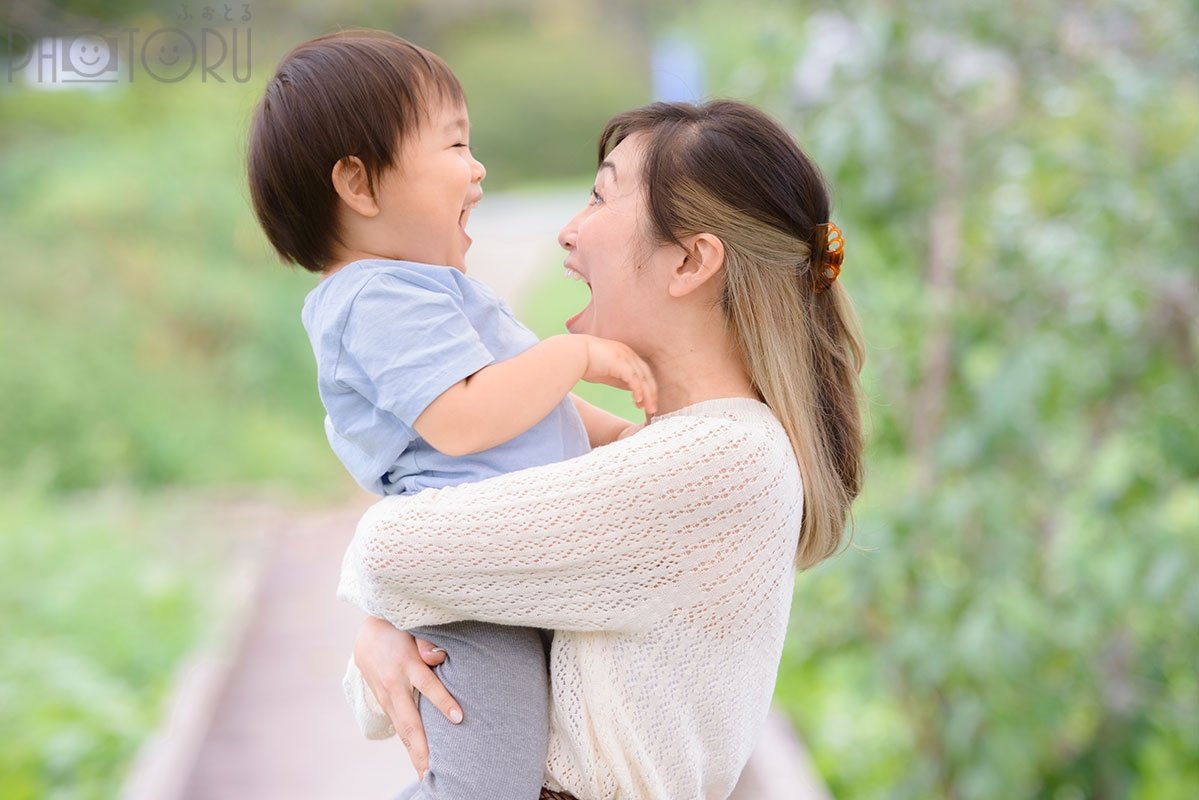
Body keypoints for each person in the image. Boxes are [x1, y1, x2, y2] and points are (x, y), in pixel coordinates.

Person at [339, 98, 866, 800]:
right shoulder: (666, 456)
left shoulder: (720, 462)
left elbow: (388, 553)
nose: (567, 232)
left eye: (599, 195)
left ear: (688, 261)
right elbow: (399, 680)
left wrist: (382, 619)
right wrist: (379, 633)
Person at [246, 30, 659, 800]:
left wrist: (633, 442)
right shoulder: (376, 298)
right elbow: (463, 422)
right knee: (484, 787)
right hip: (471, 596)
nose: (476, 169)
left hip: (507, 575)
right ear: (360, 186)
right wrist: (572, 356)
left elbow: (534, 415)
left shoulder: (427, 290)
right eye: (455, 144)